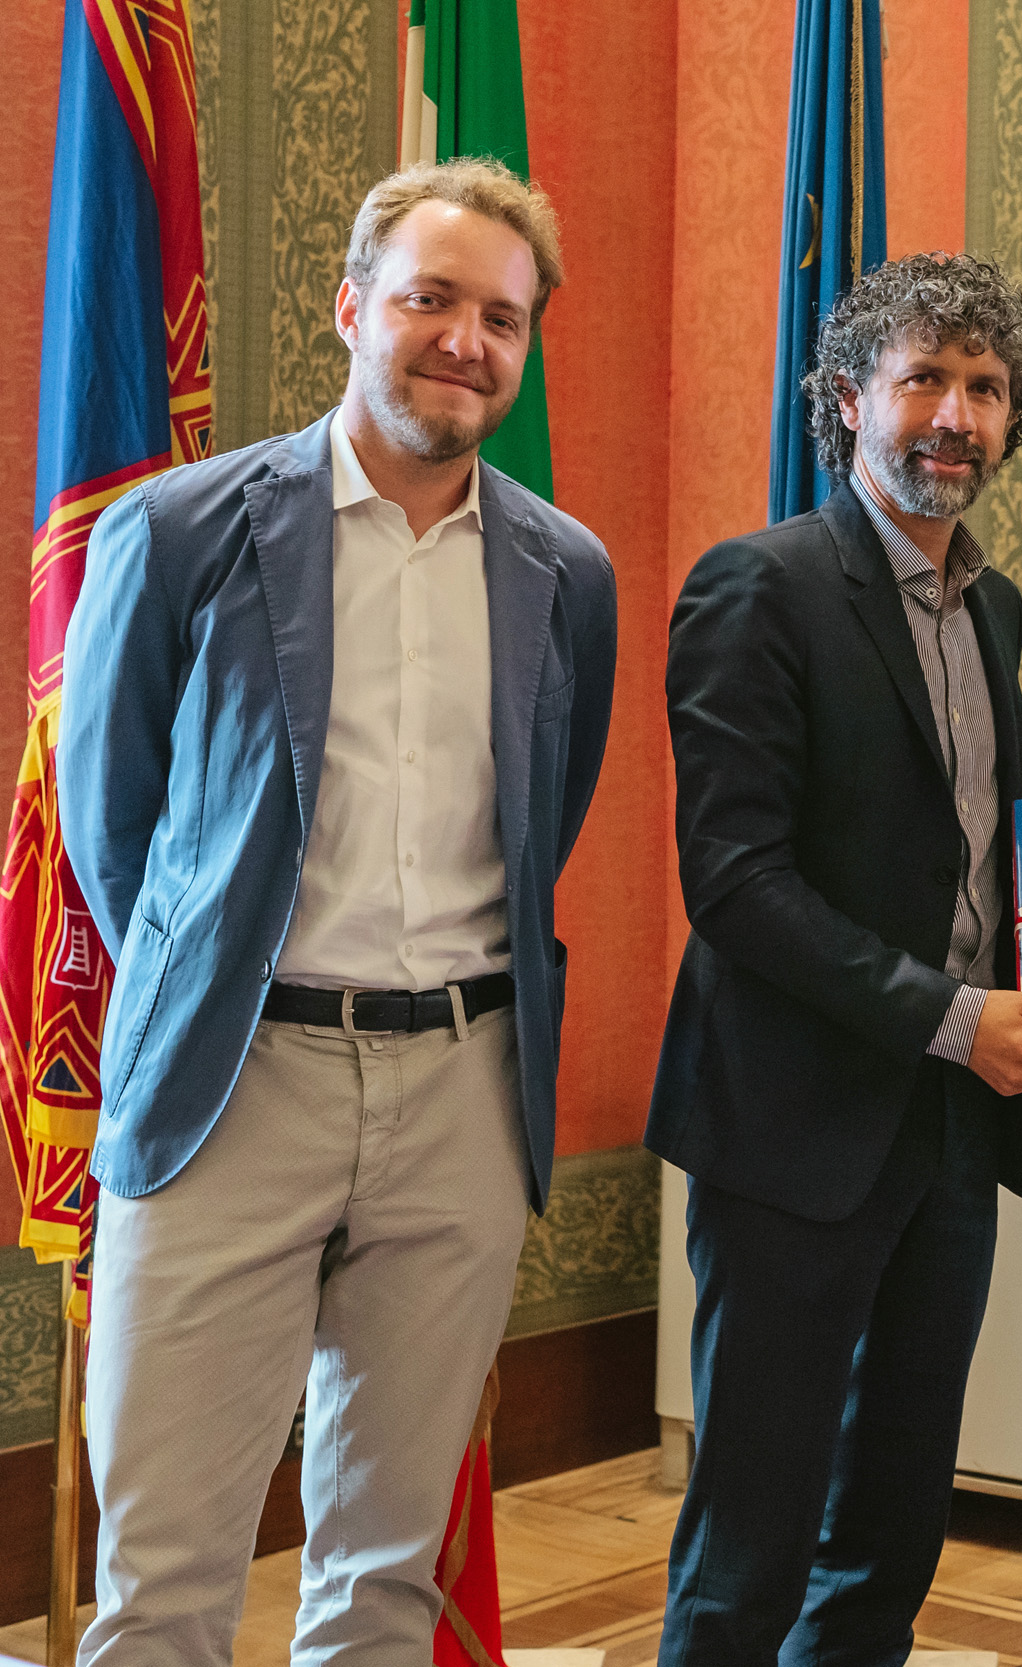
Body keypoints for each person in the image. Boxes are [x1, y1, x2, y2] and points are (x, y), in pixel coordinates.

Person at [59, 158, 615, 1663]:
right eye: (432, 299)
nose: (464, 340)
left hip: (464, 1095)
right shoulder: (181, 533)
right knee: (165, 1580)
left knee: (381, 1579)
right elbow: (116, 832)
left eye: (500, 318)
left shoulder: (569, 574)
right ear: (353, 306)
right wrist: (228, 978)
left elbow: (539, 823)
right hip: (235, 1088)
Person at [646, 252, 1022, 1667]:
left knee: (894, 1525)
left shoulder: (997, 607)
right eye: (924, 378)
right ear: (849, 398)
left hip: (953, 1139)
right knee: (754, 1534)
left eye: (983, 386)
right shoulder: (759, 588)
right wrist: (955, 1018)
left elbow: (965, 859)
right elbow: (735, 886)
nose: (955, 415)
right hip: (794, 1129)